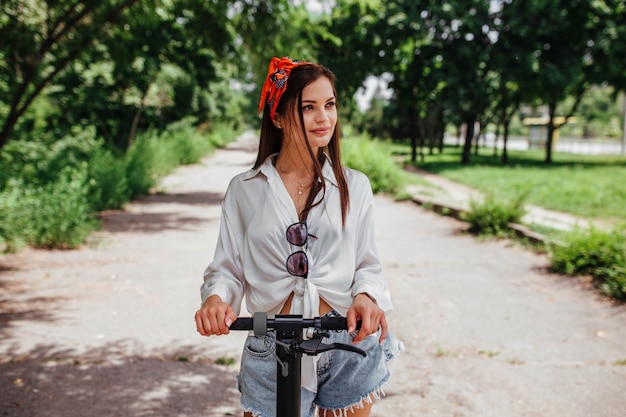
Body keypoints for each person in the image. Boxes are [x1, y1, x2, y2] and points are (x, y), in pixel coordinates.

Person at [194, 56, 402, 417]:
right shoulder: (244, 190)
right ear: (277, 117)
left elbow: (367, 263)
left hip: (347, 338)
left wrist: (367, 296)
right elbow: (227, 268)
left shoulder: (355, 186)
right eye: (308, 107)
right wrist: (216, 299)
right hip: (272, 340)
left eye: (330, 104)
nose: (324, 118)